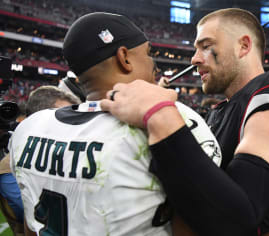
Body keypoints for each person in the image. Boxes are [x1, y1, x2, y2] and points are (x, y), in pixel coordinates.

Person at [101, 8, 269, 236]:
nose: (194, 59)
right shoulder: (221, 112)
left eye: (206, 46)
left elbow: (232, 225)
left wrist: (159, 114)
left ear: (243, 46)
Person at [9, 12, 221, 236]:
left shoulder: (30, 128)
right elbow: (198, 220)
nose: (154, 65)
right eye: (149, 53)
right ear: (124, 57)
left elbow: (31, 224)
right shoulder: (167, 118)